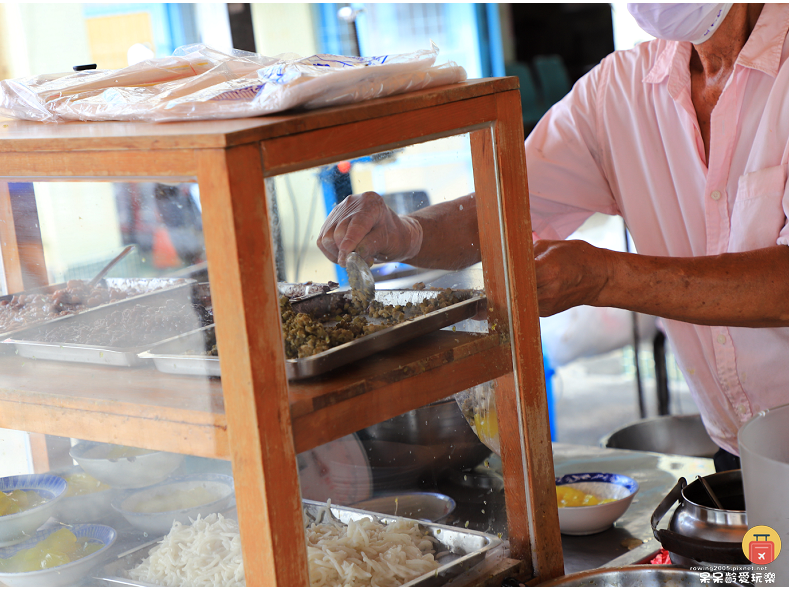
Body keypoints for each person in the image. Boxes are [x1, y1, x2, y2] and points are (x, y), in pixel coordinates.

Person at [317, 3, 789, 472]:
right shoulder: (619, 91)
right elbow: (506, 208)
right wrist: (406, 233)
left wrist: (605, 278)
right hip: (738, 454)